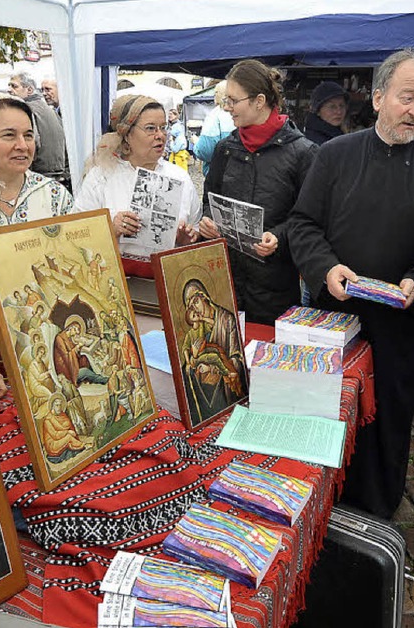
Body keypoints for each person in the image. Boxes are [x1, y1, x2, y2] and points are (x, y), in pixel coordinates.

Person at [288, 48, 414, 519]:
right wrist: (325, 267)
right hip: (335, 315)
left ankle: (375, 512)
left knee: (388, 419)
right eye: (406, 97)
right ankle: (318, 508)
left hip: (398, 322)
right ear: (377, 98)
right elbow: (304, 224)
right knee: (322, 415)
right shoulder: (333, 156)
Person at [0, 92, 73, 402]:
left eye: (28, 135)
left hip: (48, 345)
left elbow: (73, 267)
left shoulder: (55, 197)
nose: (22, 145)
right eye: (8, 135)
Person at [199, 59, 318, 324]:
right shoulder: (224, 149)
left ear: (259, 100)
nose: (227, 108)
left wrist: (277, 237)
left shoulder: (303, 153)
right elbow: (209, 199)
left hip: (275, 290)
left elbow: (309, 219)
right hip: (226, 283)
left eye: (233, 100)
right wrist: (206, 221)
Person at [75, 94, 201, 252]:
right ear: (127, 134)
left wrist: (187, 239)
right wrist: (112, 229)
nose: (160, 135)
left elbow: (195, 227)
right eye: (150, 128)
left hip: (167, 274)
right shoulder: (101, 176)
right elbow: (77, 235)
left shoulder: (179, 177)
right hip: (119, 274)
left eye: (163, 127)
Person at [180, 279, 246, 426]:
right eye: (191, 307)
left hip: (223, 386)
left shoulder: (226, 319)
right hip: (204, 382)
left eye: (196, 302)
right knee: (185, 371)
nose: (195, 309)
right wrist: (193, 357)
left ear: (204, 297)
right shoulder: (197, 329)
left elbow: (237, 357)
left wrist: (213, 368)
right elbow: (190, 357)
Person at [8, 72, 67, 181]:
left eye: (14, 86)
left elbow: (32, 142)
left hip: (40, 175)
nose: (10, 90)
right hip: (58, 174)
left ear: (29, 90)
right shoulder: (50, 110)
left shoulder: (26, 109)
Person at [193, 81, 235, 176]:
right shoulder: (244, 113)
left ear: (217, 95)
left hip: (219, 174)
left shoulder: (215, 116)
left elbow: (206, 151)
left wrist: (196, 143)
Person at [303, 81, 349, 145]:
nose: (339, 112)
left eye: (342, 106)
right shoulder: (314, 142)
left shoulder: (335, 135)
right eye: (332, 107)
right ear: (318, 111)